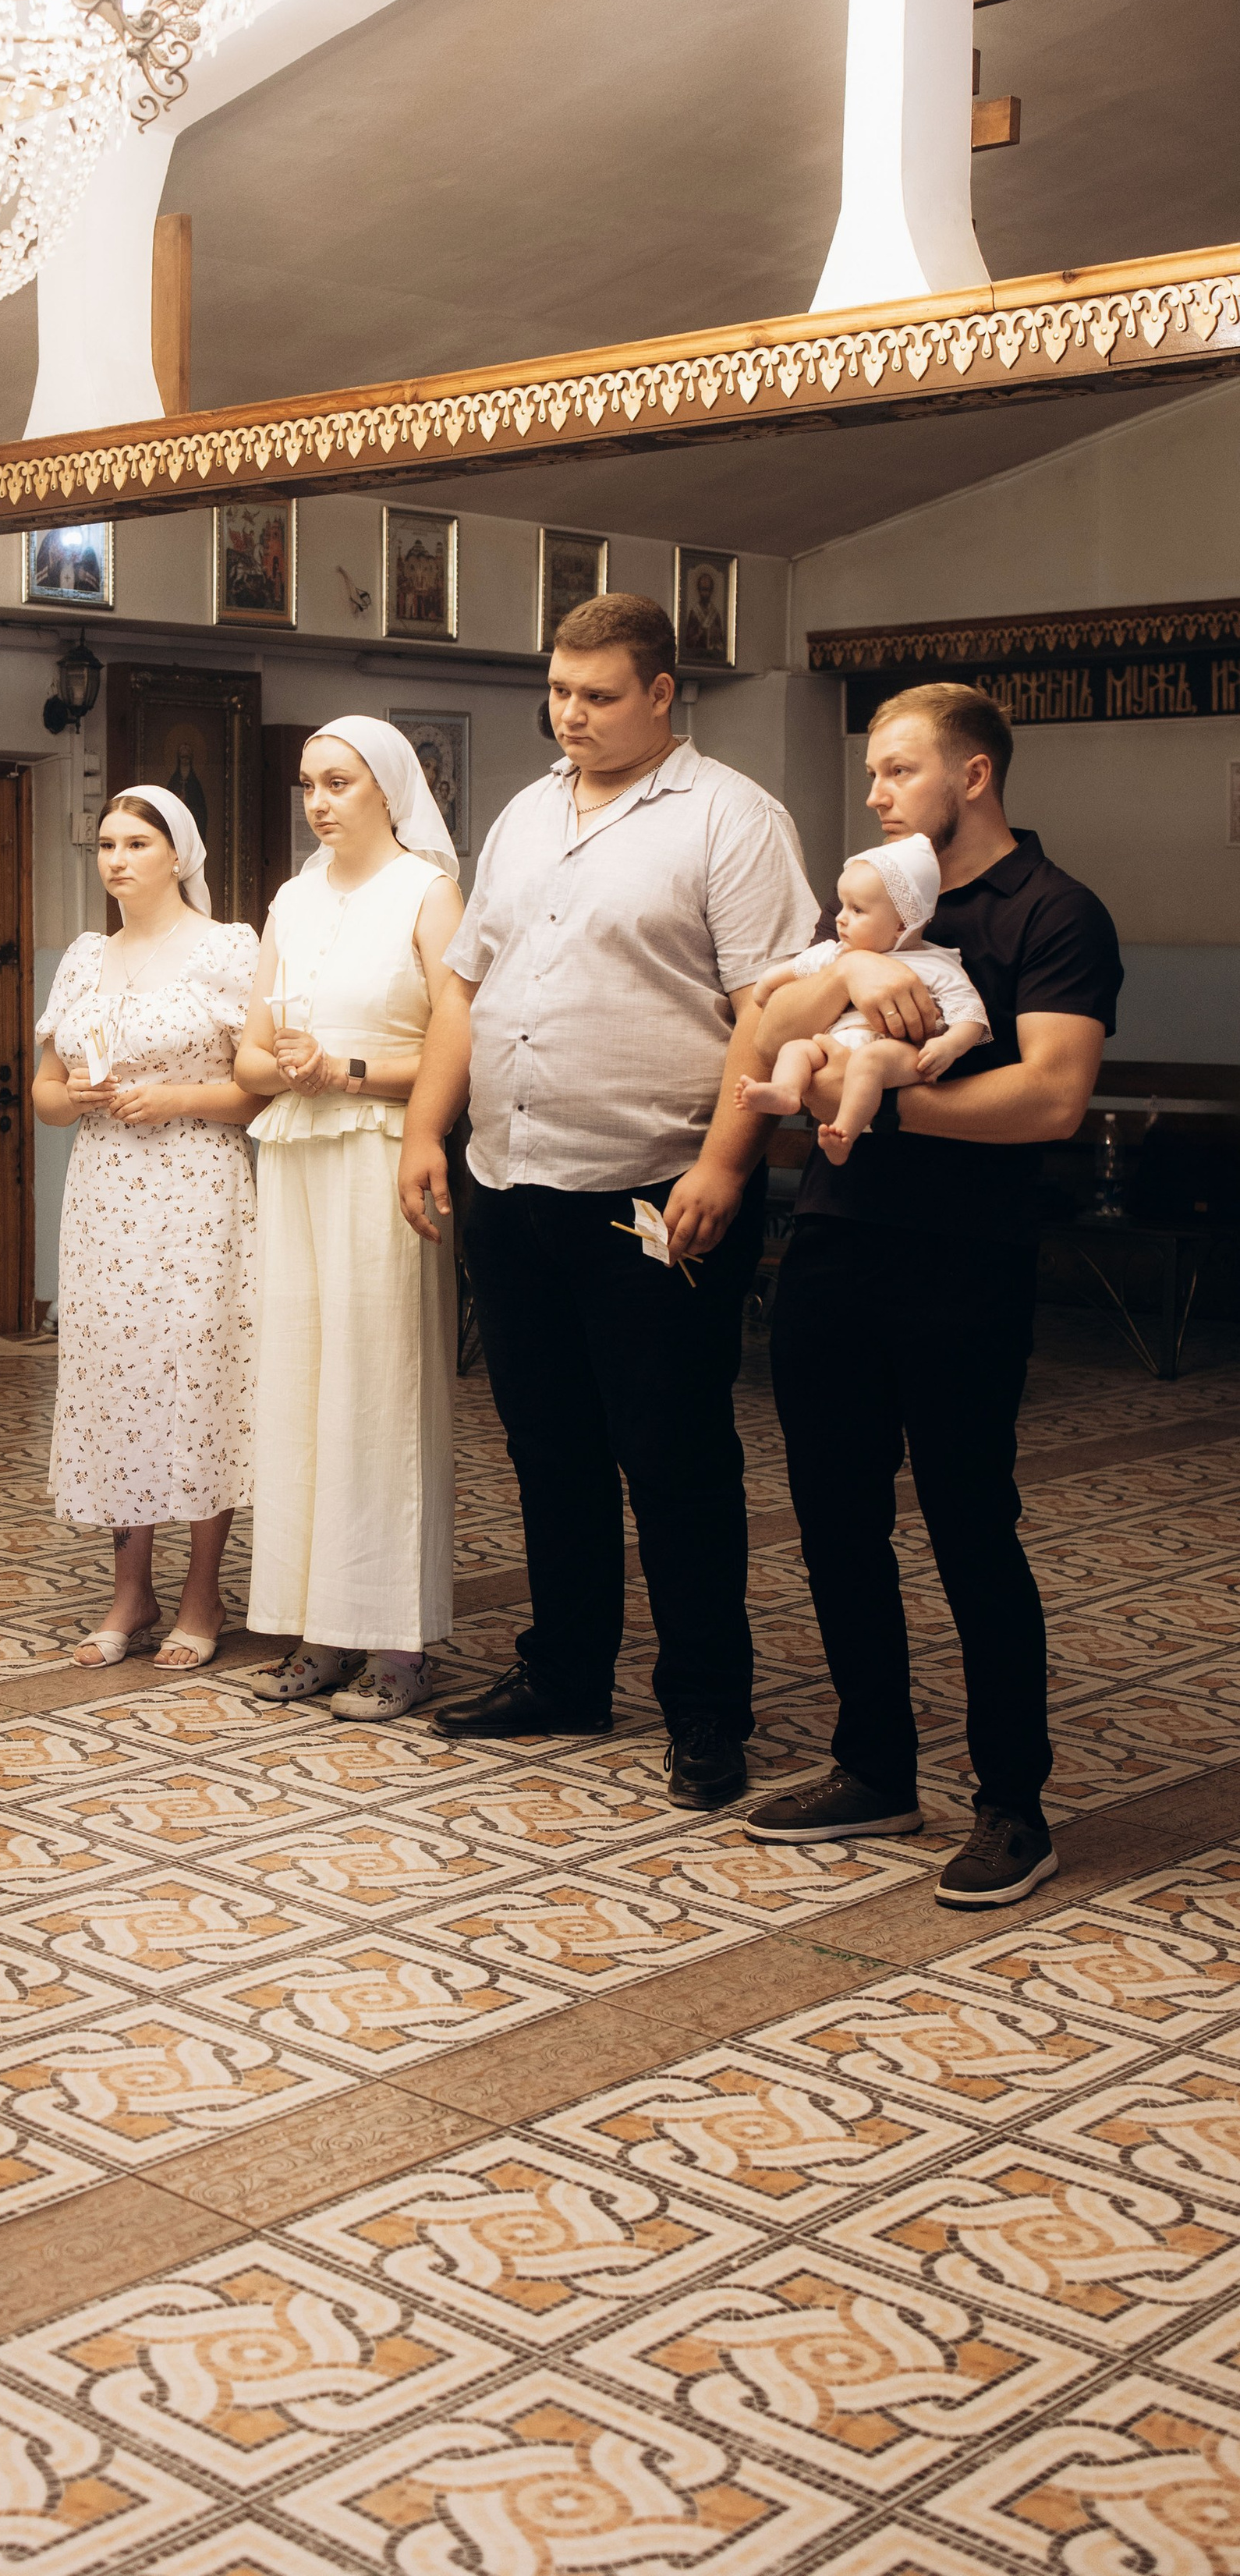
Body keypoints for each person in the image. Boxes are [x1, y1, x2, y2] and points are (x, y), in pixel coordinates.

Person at [399, 594, 817, 1804]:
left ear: (661, 694)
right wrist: (426, 1128)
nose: (569, 716)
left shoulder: (731, 818)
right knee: (547, 1447)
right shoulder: (528, 813)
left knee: (674, 1455)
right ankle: (567, 1672)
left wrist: (726, 1163)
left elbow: (770, 1009)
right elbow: (466, 987)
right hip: (511, 1178)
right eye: (558, 692)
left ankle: (707, 1709)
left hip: (656, 1186)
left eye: (596, 695)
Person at [743, 685, 1121, 1908]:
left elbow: (1051, 1096)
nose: (875, 793)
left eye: (899, 770)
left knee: (969, 1525)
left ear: (974, 775)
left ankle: (1014, 1805)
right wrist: (854, 969)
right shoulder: (874, 902)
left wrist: (889, 1111)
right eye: (872, 772)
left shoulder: (1053, 910)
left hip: (964, 1255)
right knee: (835, 1518)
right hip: (836, 1243)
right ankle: (874, 1767)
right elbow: (764, 1030)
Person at [234, 717, 464, 1720]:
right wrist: (292, 1068)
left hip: (381, 1155)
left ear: (389, 788)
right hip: (295, 1154)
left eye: (339, 783)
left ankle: (398, 1642)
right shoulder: (291, 899)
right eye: (308, 785)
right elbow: (248, 1054)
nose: (319, 803)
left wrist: (349, 1070)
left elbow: (461, 1039)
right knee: (300, 1388)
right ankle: (317, 1628)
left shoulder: (427, 891)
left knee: (380, 1391)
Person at [34, 785, 261, 1669]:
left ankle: (204, 1591)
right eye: (106, 845)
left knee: (199, 1377)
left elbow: (259, 1093)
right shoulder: (85, 958)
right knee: (117, 1378)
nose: (117, 860)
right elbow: (46, 1095)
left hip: (198, 1187)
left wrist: (176, 1097)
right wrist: (76, 1096)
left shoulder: (227, 949)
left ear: (179, 855)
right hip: (104, 1194)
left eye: (136, 843)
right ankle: (131, 1589)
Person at [736, 834, 989, 1159]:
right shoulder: (836, 954)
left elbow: (970, 1014)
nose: (840, 918)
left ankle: (845, 1132)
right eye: (843, 905)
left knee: (869, 1062)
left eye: (857, 910)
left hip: (899, 1053)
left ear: (902, 925)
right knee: (796, 1049)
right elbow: (781, 976)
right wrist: (764, 992)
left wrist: (949, 1046)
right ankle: (786, 1091)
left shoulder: (935, 964)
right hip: (838, 1044)